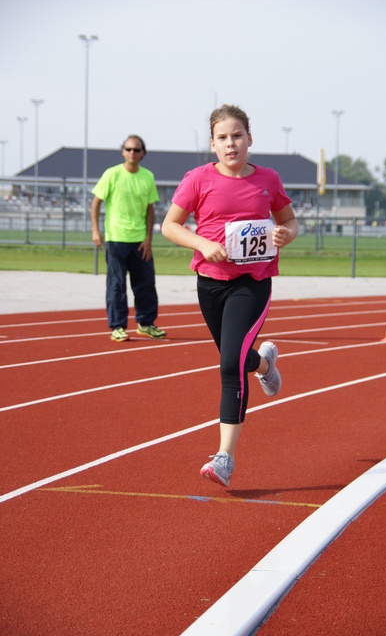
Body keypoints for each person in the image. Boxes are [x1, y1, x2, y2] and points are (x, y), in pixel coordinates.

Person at [161, 104, 298, 487]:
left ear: (249, 139)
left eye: (237, 135)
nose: (230, 143)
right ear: (213, 144)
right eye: (222, 137)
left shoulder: (268, 179)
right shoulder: (198, 179)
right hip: (210, 283)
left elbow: (288, 221)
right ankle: (266, 366)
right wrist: (203, 244)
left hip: (252, 283)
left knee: (228, 367)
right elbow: (170, 226)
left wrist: (287, 234)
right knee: (234, 356)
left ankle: (225, 457)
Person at [91, 135, 166, 342]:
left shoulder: (147, 177)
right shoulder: (111, 174)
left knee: (146, 284)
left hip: (140, 240)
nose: (132, 153)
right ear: (123, 151)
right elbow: (96, 203)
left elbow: (150, 210)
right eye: (128, 149)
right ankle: (117, 327)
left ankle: (146, 323)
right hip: (116, 239)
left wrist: (149, 238)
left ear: (143, 153)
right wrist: (95, 231)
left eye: (136, 149)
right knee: (116, 284)